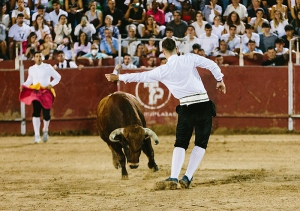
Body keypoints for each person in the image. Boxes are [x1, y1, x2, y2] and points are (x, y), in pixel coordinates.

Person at [105, 38, 226, 190]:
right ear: (177, 49)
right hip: (203, 105)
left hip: (186, 108)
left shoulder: (162, 70)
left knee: (181, 143)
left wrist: (119, 77)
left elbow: (140, 77)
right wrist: (220, 80)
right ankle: (187, 177)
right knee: (201, 143)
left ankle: (174, 176)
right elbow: (211, 64)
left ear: (163, 52)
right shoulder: (189, 58)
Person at [20, 51, 61, 143]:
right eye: (37, 56)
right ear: (34, 58)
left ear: (42, 58)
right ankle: (37, 135)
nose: (38, 58)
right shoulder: (31, 69)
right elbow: (29, 80)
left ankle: (45, 130)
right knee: (36, 112)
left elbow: (58, 77)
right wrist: (23, 85)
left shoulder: (48, 67)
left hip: (46, 92)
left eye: (40, 56)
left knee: (46, 114)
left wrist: (51, 84)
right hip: (36, 92)